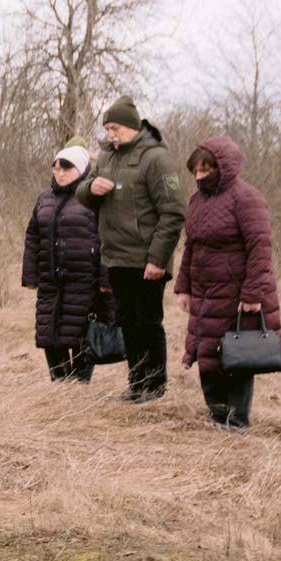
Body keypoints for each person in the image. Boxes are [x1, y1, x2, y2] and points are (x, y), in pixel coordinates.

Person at [76, 97, 186, 404]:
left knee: (148, 323)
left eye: (115, 127)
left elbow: (174, 212)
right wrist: (90, 188)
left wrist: (158, 260)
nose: (111, 133)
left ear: (132, 127)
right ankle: (137, 384)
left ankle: (154, 386)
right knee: (127, 324)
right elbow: (83, 192)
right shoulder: (107, 158)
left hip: (147, 261)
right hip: (116, 258)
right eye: (107, 128)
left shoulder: (155, 158)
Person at [176, 138, 281, 430]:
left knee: (237, 358)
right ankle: (216, 417)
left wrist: (252, 294)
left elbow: (260, 247)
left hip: (237, 294)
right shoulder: (197, 201)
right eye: (195, 170)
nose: (199, 177)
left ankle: (237, 424)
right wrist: (183, 287)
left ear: (224, 166)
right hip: (205, 293)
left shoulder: (247, 198)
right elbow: (191, 246)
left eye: (206, 169)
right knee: (207, 355)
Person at [22, 143, 110, 385]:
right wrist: (30, 275)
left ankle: (80, 386)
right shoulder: (44, 198)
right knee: (50, 332)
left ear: (81, 170)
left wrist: (106, 279)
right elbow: (32, 236)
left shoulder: (93, 198)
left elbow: (107, 237)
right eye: (56, 167)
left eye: (66, 167)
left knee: (82, 332)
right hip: (51, 281)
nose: (59, 173)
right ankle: (59, 385)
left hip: (84, 280)